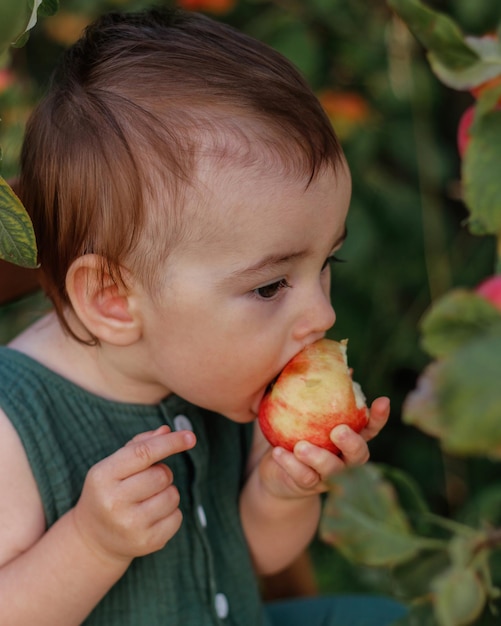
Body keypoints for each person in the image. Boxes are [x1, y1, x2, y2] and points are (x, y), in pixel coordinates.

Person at [0, 8, 406, 625]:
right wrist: (89, 546)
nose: (320, 314)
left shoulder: (225, 382)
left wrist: (280, 494)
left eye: (328, 261)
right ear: (113, 298)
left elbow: (253, 559)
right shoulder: (16, 426)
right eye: (271, 285)